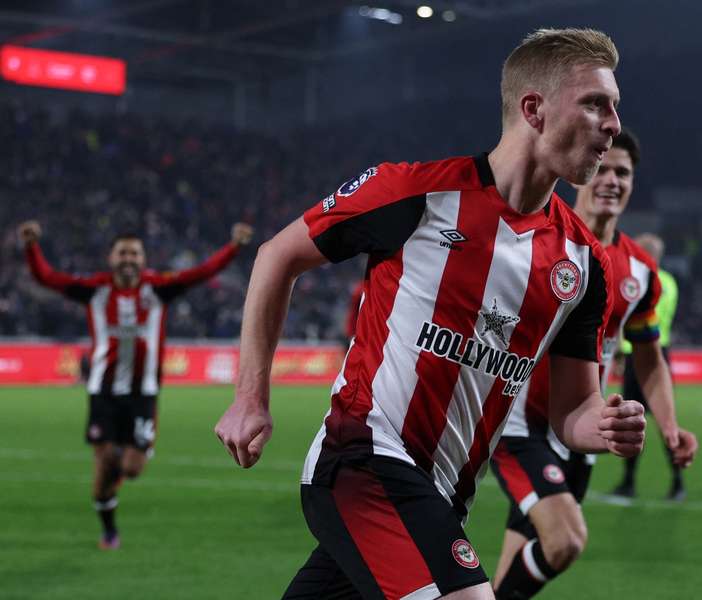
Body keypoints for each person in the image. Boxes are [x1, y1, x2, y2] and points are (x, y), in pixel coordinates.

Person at [214, 28, 648, 600]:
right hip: (363, 459)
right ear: (533, 109)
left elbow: (574, 410)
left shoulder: (583, 266)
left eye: (614, 107)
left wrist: (604, 426)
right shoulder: (418, 194)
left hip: (443, 496)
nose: (612, 123)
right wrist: (250, 397)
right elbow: (277, 256)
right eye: (596, 104)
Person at [489, 129, 697, 599]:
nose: (611, 180)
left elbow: (648, 358)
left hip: (581, 429)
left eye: (622, 172)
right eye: (601, 168)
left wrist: (669, 426)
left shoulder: (641, 272)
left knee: (523, 558)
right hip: (519, 422)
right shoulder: (536, 236)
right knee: (565, 540)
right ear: (578, 172)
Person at [18, 219, 253, 549]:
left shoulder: (157, 288)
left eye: (134, 253)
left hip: (144, 395)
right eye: (122, 253)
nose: (128, 258)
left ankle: (120, 464)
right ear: (111, 257)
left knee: (131, 469)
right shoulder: (95, 289)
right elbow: (47, 278)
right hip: (103, 393)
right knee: (102, 471)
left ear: (143, 259)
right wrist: (31, 247)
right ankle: (109, 530)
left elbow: (201, 273)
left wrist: (234, 247)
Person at [612, 232, 684, 500]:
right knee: (665, 422)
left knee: (631, 421)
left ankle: (629, 483)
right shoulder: (669, 282)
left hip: (639, 352)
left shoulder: (643, 280)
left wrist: (619, 349)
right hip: (661, 352)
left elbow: (630, 315)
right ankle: (678, 483)